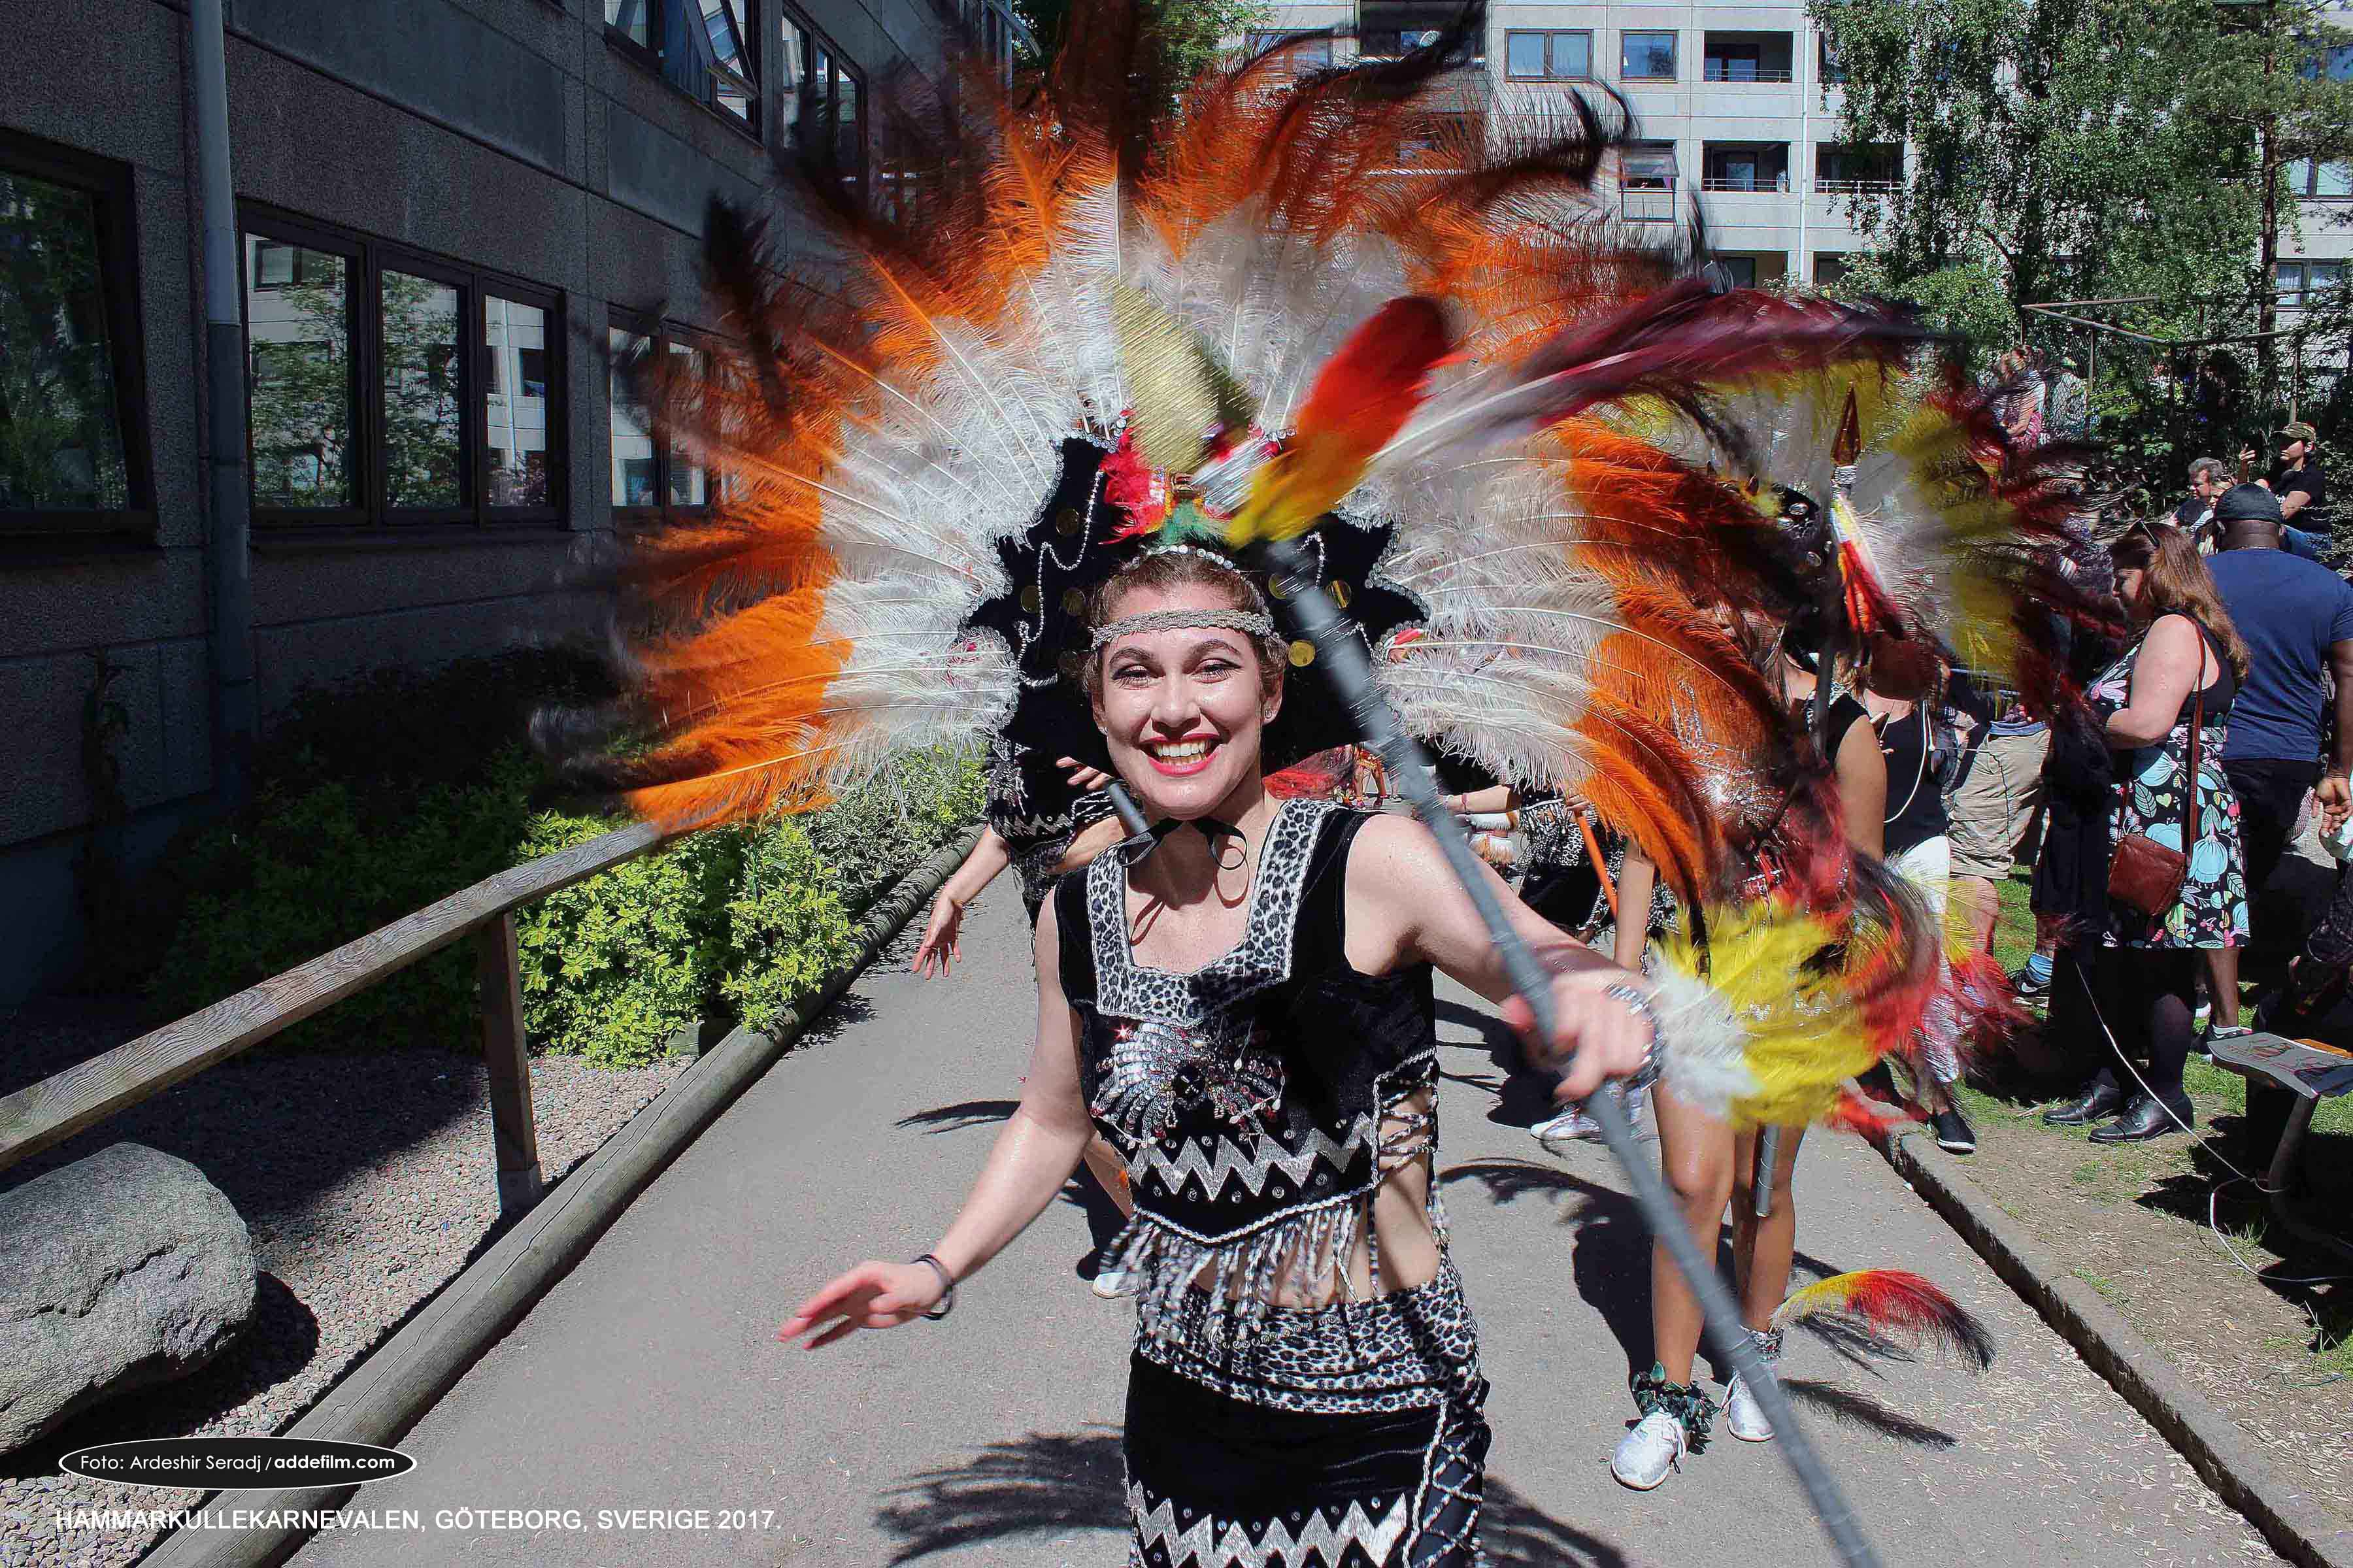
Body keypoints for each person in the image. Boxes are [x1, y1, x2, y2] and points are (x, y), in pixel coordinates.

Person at [782, 550, 1659, 1564]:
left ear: (1270, 689)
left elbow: (1556, 962)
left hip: (1382, 1416)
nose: (1174, 708)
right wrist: (938, 1266)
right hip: (1182, 1408)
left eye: (1212, 666)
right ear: (1099, 709)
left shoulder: (1374, 863)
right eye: (1136, 674)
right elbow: (1054, 1117)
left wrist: (1604, 996)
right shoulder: (1077, 913)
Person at [1609, 617, 1886, 1491]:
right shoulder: (1683, 711)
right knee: (1694, 1184)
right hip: (1690, 980)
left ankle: (1756, 1347)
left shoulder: (1842, 731)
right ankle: (1667, 1396)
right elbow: (1643, 844)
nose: (1732, 616)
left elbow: (1868, 881)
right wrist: (1623, 972)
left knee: (1760, 1187)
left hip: (1792, 993)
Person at [2045, 524, 2248, 1142]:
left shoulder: (2173, 629)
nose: (2115, 586)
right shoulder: (2169, 630)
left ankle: (2165, 1092)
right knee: (2126, 955)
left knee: (2161, 959)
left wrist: (2082, 715)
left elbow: (2148, 723)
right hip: (2153, 811)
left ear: (2157, 572)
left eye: (2124, 574)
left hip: (2164, 817)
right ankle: (2114, 1077)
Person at [2200, 482, 2353, 1033]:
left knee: (2212, 869)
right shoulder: (2330, 586)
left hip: (2214, 746)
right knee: (2254, 866)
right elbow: (2348, 678)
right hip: (2290, 755)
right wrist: (2339, 768)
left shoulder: (2199, 578)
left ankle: (2204, 988)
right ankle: (2238, 979)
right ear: (2281, 532)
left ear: (2220, 530)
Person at [1859, 633, 1978, 1154]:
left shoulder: (1935, 700)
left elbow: (1982, 733)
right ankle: (1866, 1055)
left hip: (1921, 844)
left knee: (1926, 969)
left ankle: (1941, 1097)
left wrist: (1957, 743)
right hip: (1861, 847)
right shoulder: (1846, 694)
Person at [2173, 456, 2230, 541]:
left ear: (2213, 482)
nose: (2191, 488)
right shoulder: (2190, 505)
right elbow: (2171, 524)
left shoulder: (2225, 507)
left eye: (2197, 484)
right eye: (2191, 484)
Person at [2046, 353, 2090, 442]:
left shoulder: (2061, 385)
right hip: (2079, 424)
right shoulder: (2081, 383)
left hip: (2064, 427)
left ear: (2062, 369)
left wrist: (2056, 424)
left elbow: (2059, 407)